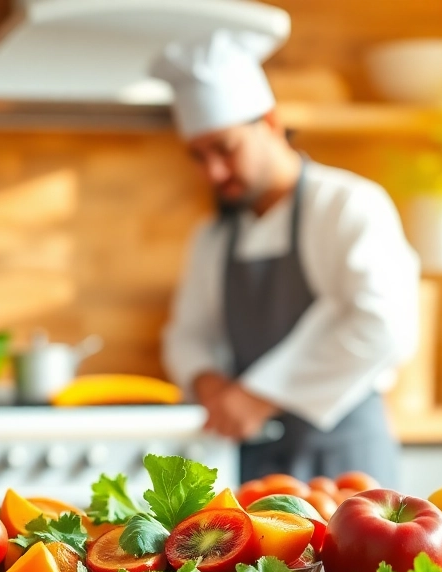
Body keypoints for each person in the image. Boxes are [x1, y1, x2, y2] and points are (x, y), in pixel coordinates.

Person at [154, 30, 420, 487]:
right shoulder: (212, 236)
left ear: (271, 124)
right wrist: (206, 381)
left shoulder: (349, 205)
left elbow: (384, 326)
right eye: (198, 156)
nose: (213, 172)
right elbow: (187, 333)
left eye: (225, 148)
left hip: (346, 464)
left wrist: (259, 395)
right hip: (253, 468)